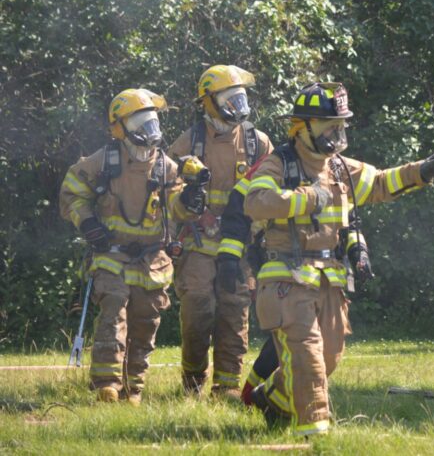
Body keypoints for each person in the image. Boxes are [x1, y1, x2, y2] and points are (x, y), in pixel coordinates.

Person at [243, 82, 434, 435]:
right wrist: (309, 198)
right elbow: (256, 202)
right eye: (329, 127)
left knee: (328, 358)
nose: (337, 134)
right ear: (302, 128)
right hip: (286, 278)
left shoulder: (340, 167)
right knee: (306, 355)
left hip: (329, 278)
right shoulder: (278, 164)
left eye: (340, 126)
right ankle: (314, 430)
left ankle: (273, 399)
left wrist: (422, 171)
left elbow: (380, 183)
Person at [59, 88, 203, 405]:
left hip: (152, 261)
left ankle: (133, 387)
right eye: (140, 123)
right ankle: (107, 385)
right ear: (120, 128)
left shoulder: (166, 168)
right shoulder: (104, 161)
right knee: (113, 309)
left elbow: (177, 210)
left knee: (145, 321)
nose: (148, 130)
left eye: (151, 121)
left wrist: (190, 200)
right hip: (111, 255)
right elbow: (72, 192)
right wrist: (87, 223)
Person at [168, 65, 273, 399]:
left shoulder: (258, 143)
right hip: (198, 245)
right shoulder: (190, 141)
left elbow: (271, 193)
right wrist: (186, 202)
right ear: (208, 102)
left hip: (239, 247)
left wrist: (254, 232)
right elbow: (167, 187)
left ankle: (226, 385)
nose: (237, 106)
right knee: (197, 310)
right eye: (230, 99)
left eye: (240, 98)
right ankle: (193, 381)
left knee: (233, 312)